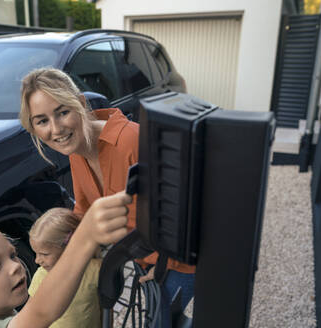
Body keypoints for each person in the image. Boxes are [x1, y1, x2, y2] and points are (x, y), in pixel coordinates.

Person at [19, 68, 195, 327]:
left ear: (79, 104)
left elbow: (181, 209)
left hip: (178, 261)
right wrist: (60, 248)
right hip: (145, 259)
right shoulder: (77, 151)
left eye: (62, 112)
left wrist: (162, 263)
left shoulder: (130, 140)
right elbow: (84, 211)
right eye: (42, 121)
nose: (56, 129)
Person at [0, 192, 131, 328]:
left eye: (12, 255)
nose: (15, 266)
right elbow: (41, 312)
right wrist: (84, 238)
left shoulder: (3, 315)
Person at [28, 207, 101, 328]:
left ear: (70, 245)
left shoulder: (95, 270)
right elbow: (31, 316)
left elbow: (105, 307)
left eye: (44, 254)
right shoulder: (41, 277)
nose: (37, 260)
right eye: (36, 253)